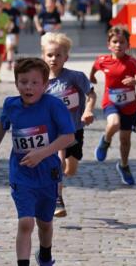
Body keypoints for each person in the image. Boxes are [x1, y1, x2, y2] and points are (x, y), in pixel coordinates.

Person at [0, 56, 75, 266]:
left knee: (45, 224)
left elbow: (68, 137)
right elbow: (1, 125)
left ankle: (45, 257)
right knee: (26, 222)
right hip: (21, 174)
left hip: (48, 173)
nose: (29, 87)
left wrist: (42, 153)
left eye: (35, 83)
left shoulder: (53, 106)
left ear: (45, 85)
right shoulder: (11, 105)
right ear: (16, 83)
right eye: (23, 82)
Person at [41, 32, 96, 218]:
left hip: (75, 129)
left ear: (66, 57)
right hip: (54, 133)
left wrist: (88, 110)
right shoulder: (41, 82)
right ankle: (57, 198)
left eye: (58, 55)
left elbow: (91, 95)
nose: (53, 59)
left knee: (70, 170)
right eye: (49, 55)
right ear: (43, 56)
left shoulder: (75, 77)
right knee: (58, 161)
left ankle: (58, 181)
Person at [90, 25, 136, 186]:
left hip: (129, 106)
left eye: (122, 42)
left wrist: (135, 81)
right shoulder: (103, 60)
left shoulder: (132, 62)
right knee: (114, 123)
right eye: (115, 42)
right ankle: (106, 140)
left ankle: (123, 165)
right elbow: (95, 67)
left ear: (128, 45)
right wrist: (92, 77)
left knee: (125, 140)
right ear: (109, 45)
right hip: (111, 102)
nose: (118, 45)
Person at [1, 0, 22, 70]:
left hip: (14, 30)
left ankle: (10, 61)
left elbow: (20, 17)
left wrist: (21, 23)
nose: (2, 4)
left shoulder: (14, 10)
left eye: (4, 2)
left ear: (8, 3)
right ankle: (10, 61)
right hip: (5, 31)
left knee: (11, 47)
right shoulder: (2, 11)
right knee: (9, 47)